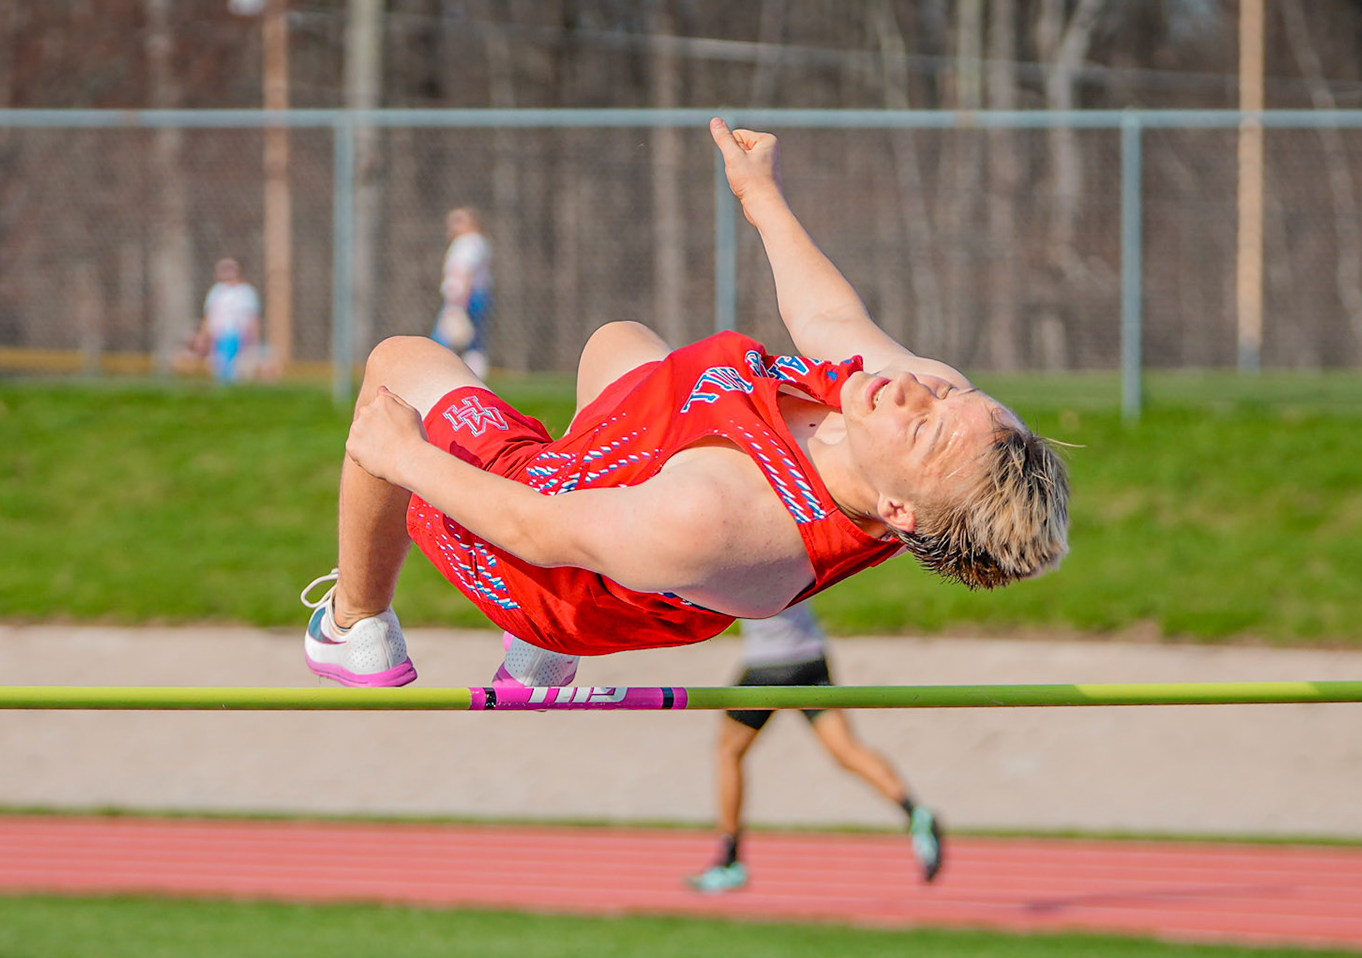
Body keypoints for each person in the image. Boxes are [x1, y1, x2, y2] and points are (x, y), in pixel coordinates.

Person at [301, 118, 1068, 693]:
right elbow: (831, 320)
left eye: (924, 426)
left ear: (898, 511)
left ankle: (357, 626)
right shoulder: (907, 409)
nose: (913, 387)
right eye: (950, 391)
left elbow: (533, 528)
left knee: (397, 369)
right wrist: (761, 197)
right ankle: (561, 593)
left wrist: (405, 459)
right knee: (620, 343)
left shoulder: (719, 518)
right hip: (626, 500)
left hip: (543, 564)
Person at [689, 599, 943, 893]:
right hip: (810, 658)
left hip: (768, 664)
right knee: (845, 749)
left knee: (728, 752)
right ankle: (915, 812)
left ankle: (730, 858)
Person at [430, 207, 492, 380]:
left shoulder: (468, 243)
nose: (452, 226)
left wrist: (457, 302)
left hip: (464, 296)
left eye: (458, 221)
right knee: (474, 339)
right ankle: (474, 376)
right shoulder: (479, 242)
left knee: (443, 338)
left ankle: (438, 372)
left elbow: (464, 272)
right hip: (475, 295)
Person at [197, 257, 261, 384]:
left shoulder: (245, 292)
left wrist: (255, 337)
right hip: (217, 334)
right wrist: (203, 335)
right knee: (218, 361)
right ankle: (223, 382)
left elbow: (252, 317)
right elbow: (209, 315)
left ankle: (229, 382)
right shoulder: (217, 291)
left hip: (238, 334)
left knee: (233, 362)